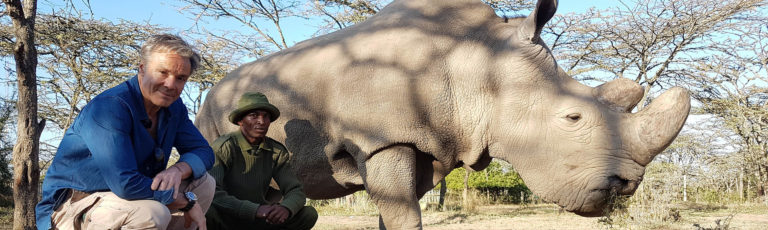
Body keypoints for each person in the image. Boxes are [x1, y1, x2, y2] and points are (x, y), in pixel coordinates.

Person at [36, 34, 215, 230]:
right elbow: (125, 183)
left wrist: (178, 170)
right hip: (76, 203)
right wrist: (185, 201)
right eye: (162, 72)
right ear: (142, 69)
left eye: (180, 78)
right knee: (152, 213)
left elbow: (203, 151)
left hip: (131, 199)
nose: (171, 85)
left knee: (203, 183)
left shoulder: (174, 107)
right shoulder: (110, 107)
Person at [206, 92, 318, 230]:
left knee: (308, 214)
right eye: (254, 116)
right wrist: (253, 210)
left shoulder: (276, 151)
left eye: (266, 116)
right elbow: (211, 193)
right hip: (228, 218)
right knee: (207, 212)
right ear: (240, 121)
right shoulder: (224, 146)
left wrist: (286, 208)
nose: (262, 121)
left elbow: (295, 190)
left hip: (261, 219)